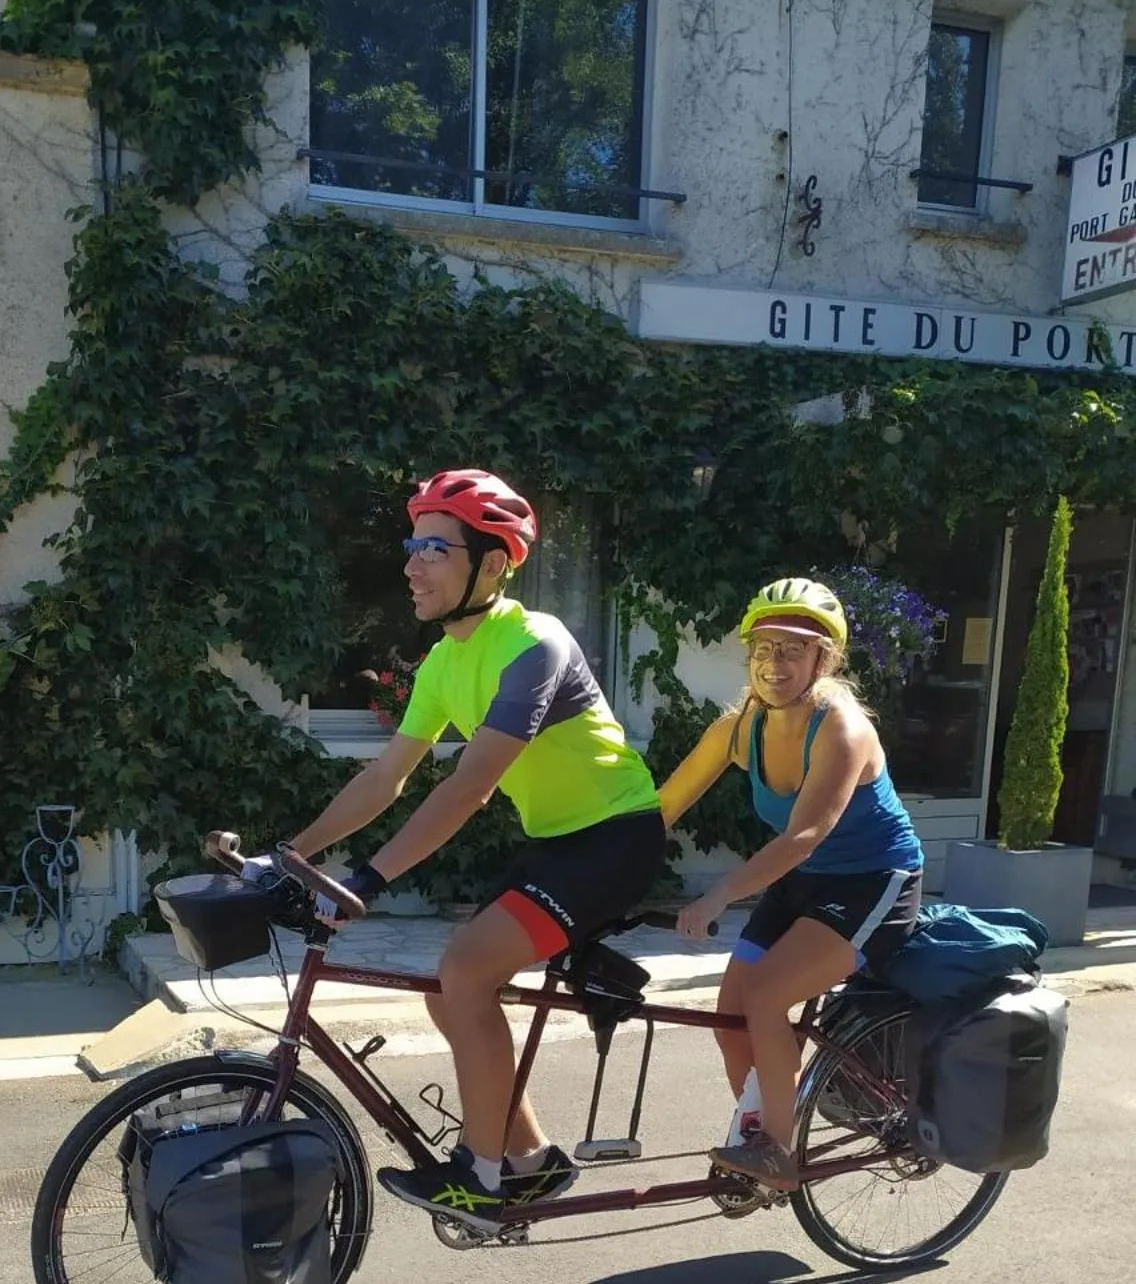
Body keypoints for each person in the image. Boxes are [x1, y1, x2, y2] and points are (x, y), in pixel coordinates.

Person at [267, 468, 667, 1232]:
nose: (411, 563)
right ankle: (529, 1160)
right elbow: (388, 775)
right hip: (556, 843)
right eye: (410, 545)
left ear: (491, 563)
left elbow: (471, 785)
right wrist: (291, 853)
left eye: (434, 548)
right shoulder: (445, 664)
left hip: (615, 838)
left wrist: (367, 877)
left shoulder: (534, 646)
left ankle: (485, 1179)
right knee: (446, 988)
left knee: (465, 969)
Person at [656, 576, 924, 1191]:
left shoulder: (842, 728)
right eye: (763, 648)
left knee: (768, 995)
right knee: (731, 1013)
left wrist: (720, 892)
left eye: (793, 649)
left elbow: (805, 835)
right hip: (803, 880)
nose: (774, 663)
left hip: (873, 882)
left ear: (822, 659)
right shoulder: (738, 729)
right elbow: (663, 806)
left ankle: (780, 1152)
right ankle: (758, 1129)